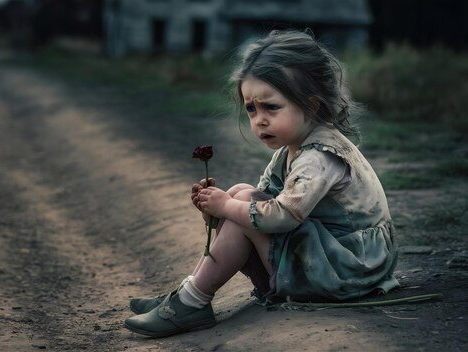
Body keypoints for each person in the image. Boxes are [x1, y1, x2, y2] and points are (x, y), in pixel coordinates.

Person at [124, 29, 399, 338]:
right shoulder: (291, 148)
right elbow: (257, 205)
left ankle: (192, 300)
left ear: (311, 105)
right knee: (242, 192)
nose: (259, 120)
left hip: (348, 271)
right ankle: (192, 291)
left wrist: (227, 207)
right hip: (331, 257)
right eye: (251, 109)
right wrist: (214, 209)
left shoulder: (319, 158)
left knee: (241, 205)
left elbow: (279, 216)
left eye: (271, 107)